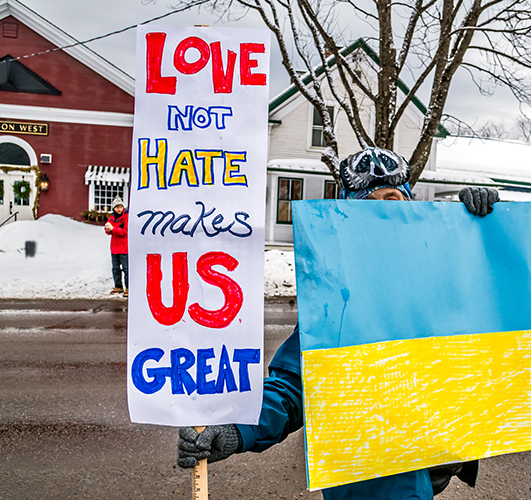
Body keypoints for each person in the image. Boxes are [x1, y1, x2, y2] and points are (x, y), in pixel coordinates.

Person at [177, 148, 499, 499]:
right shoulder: (338, 296)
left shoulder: (440, 272)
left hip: (426, 465)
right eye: (369, 204)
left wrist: (484, 228)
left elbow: (506, 301)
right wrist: (236, 430)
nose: (384, 212)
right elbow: (294, 385)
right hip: (366, 473)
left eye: (392, 198)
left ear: (408, 201)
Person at [105, 196, 129, 298]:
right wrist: (108, 229)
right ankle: (118, 286)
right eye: (116, 207)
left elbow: (125, 232)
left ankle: (128, 287)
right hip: (114, 247)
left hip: (124, 247)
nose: (119, 209)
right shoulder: (111, 217)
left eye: (120, 207)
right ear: (114, 208)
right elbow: (107, 231)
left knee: (126, 268)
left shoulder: (126, 216)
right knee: (115, 268)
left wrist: (113, 229)